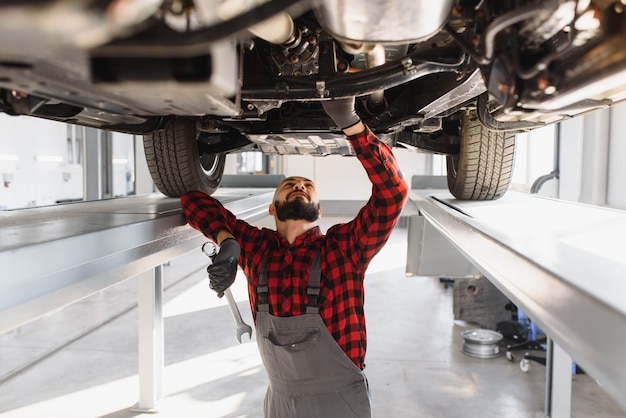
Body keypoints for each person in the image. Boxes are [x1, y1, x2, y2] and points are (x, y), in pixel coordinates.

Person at [181, 97, 409, 417]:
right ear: (272, 208)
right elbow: (192, 201)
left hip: (339, 401)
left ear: (318, 210)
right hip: (280, 402)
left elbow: (393, 193)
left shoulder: (344, 248)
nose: (299, 184)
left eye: (307, 186)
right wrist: (227, 240)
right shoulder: (255, 248)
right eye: (289, 183)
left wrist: (352, 125)